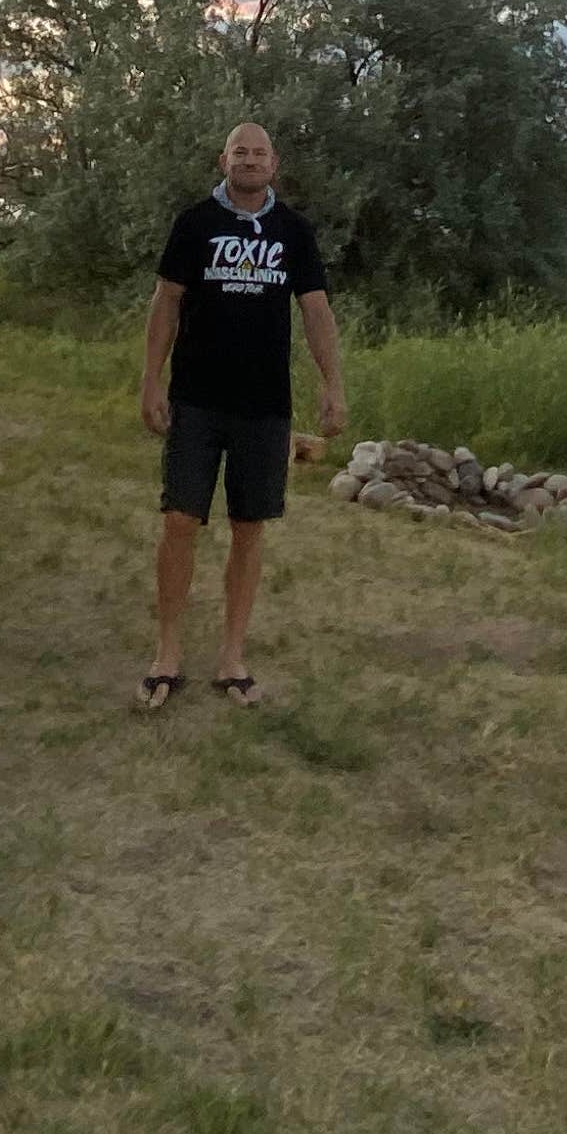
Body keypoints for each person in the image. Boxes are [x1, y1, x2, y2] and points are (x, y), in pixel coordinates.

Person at [135, 120, 343, 710]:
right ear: (223, 160)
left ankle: (232, 658)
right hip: (196, 401)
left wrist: (333, 385)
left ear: (274, 164)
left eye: (259, 153)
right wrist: (151, 380)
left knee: (249, 529)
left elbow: (316, 311)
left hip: (265, 406)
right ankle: (167, 654)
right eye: (239, 152)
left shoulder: (293, 231)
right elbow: (166, 302)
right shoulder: (194, 223)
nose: (250, 161)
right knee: (180, 521)